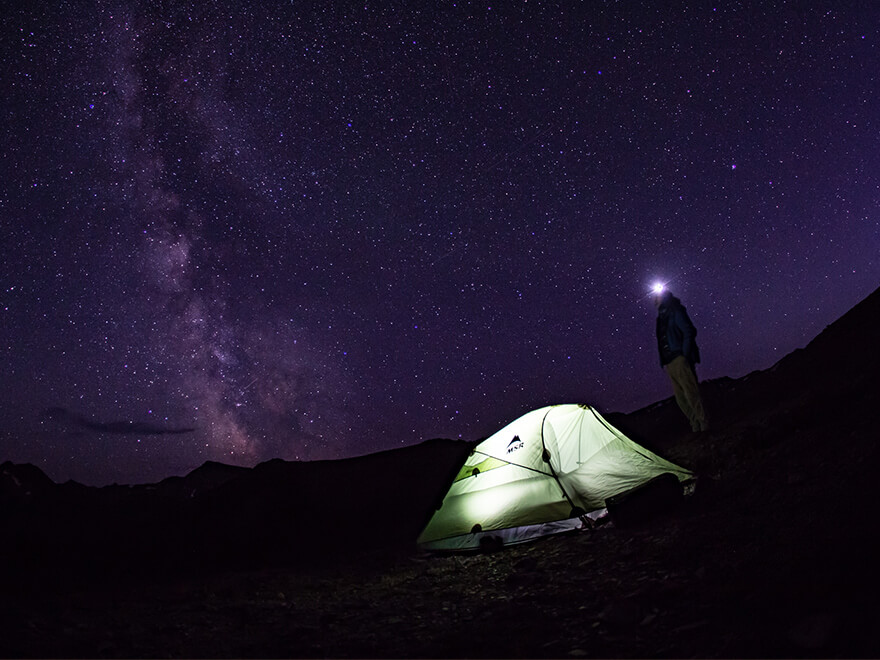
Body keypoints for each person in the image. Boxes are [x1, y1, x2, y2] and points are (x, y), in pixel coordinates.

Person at [653, 288, 709, 432]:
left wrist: (684, 354)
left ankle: (703, 424)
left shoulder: (675, 311)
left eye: (658, 297)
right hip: (669, 362)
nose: (655, 300)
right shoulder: (660, 318)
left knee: (691, 392)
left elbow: (689, 331)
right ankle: (694, 424)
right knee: (680, 398)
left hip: (679, 358)